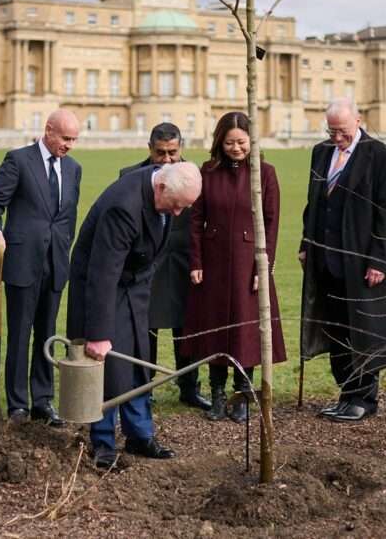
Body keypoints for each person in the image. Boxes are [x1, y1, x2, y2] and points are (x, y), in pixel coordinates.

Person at [67, 162, 203, 470]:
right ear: (161, 188)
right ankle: (102, 442)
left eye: (185, 207)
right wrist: (98, 333)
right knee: (109, 364)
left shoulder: (164, 193)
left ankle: (139, 435)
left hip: (134, 285)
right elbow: (103, 272)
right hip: (104, 288)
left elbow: (154, 250)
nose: (178, 213)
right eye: (177, 206)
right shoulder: (123, 208)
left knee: (136, 359)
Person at [299, 98, 386, 423]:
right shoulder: (321, 153)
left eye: (341, 132)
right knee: (336, 330)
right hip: (326, 261)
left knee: (364, 330)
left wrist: (379, 262)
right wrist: (305, 244)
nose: (336, 138)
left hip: (361, 262)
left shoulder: (380, 156)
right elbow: (312, 204)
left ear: (358, 121)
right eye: (331, 132)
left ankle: (364, 399)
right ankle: (346, 394)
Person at [184, 111, 286, 424]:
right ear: (220, 142)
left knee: (245, 330)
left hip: (247, 262)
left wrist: (262, 266)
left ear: (252, 142)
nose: (236, 148)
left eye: (241, 142)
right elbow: (195, 220)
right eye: (230, 142)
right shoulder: (208, 171)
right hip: (213, 262)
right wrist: (196, 261)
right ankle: (216, 394)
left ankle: (242, 394)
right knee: (216, 329)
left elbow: (271, 223)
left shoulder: (265, 174)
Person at [0, 109, 82, 426]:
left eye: (74, 140)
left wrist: (63, 247)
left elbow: (68, 217)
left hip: (56, 264)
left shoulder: (74, 168)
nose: (69, 145)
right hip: (22, 262)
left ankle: (42, 401)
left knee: (47, 333)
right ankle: (18, 405)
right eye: (65, 138)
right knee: (21, 334)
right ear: (48, 131)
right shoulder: (18, 160)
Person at [118, 123, 211, 411]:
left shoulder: (195, 175)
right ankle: (144, 386)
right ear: (150, 148)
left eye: (172, 152)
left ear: (181, 148)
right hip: (146, 262)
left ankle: (189, 387)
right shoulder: (130, 176)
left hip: (185, 262)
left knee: (187, 328)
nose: (167, 159)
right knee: (144, 328)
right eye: (161, 153)